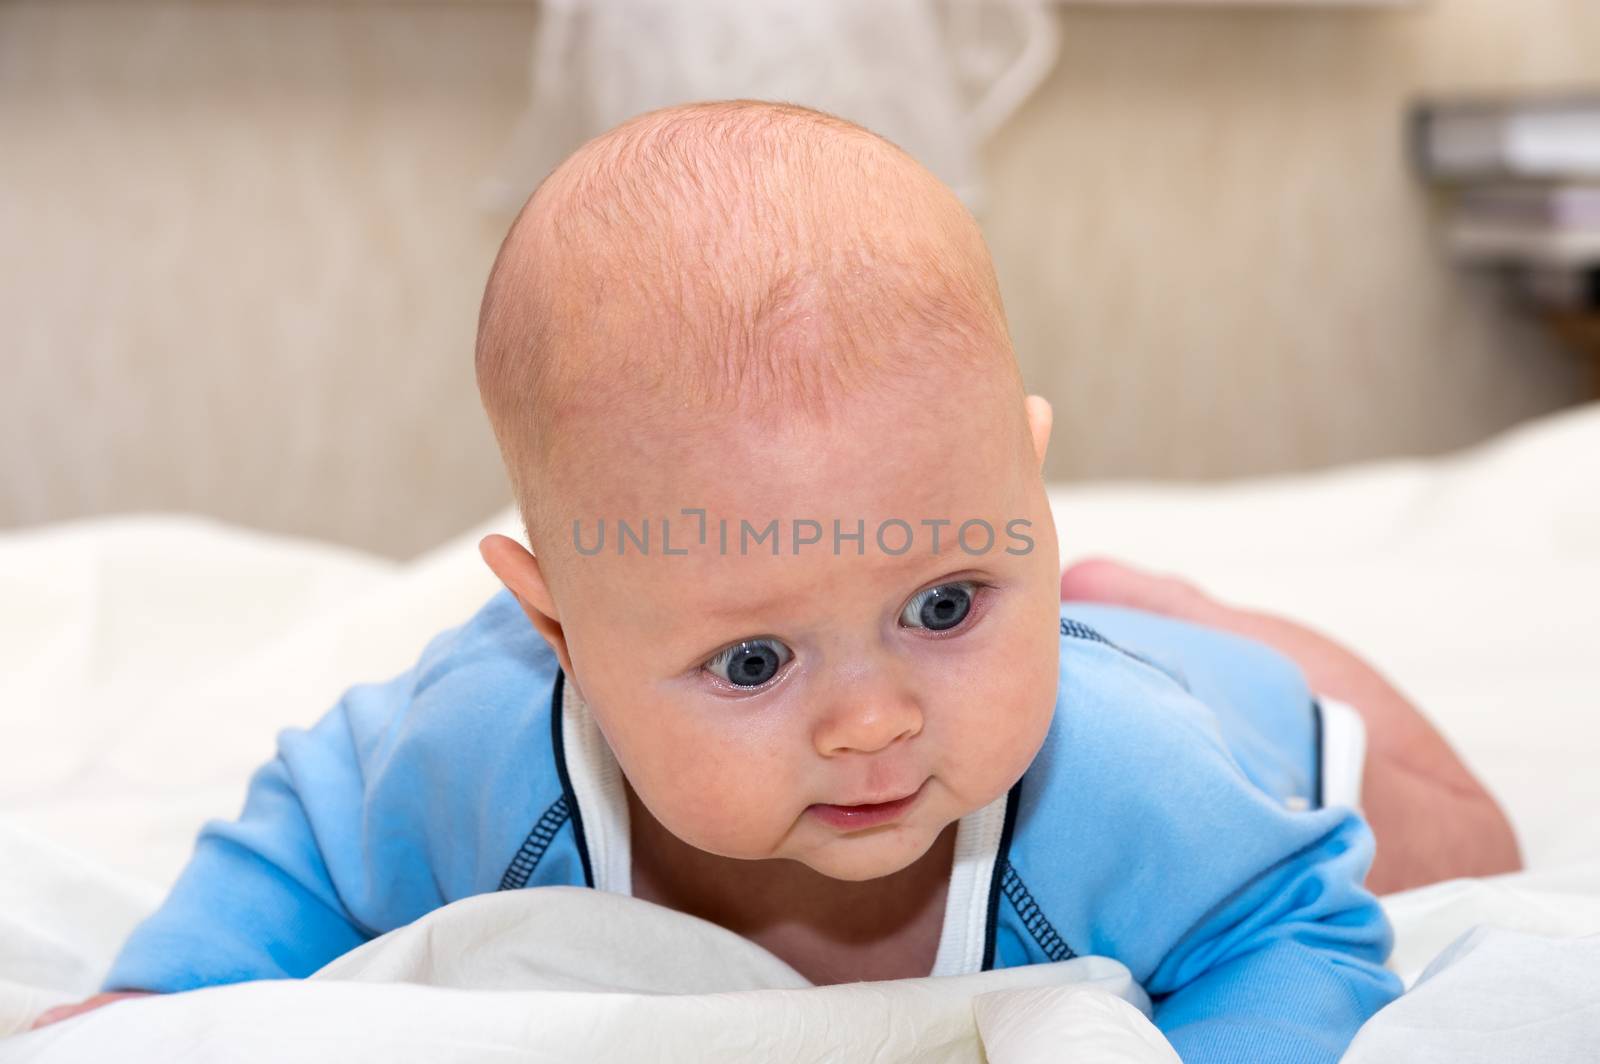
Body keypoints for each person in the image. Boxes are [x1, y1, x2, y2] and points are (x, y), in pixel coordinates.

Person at [30, 100, 1517, 1060]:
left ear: (1028, 490)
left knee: (1462, 850)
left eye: (945, 601)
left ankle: (1189, 616)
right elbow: (308, 839)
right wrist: (161, 1004)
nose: (872, 723)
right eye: (752, 663)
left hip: (1228, 705)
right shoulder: (478, 753)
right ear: (557, 628)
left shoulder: (1118, 778)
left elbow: (1294, 926)